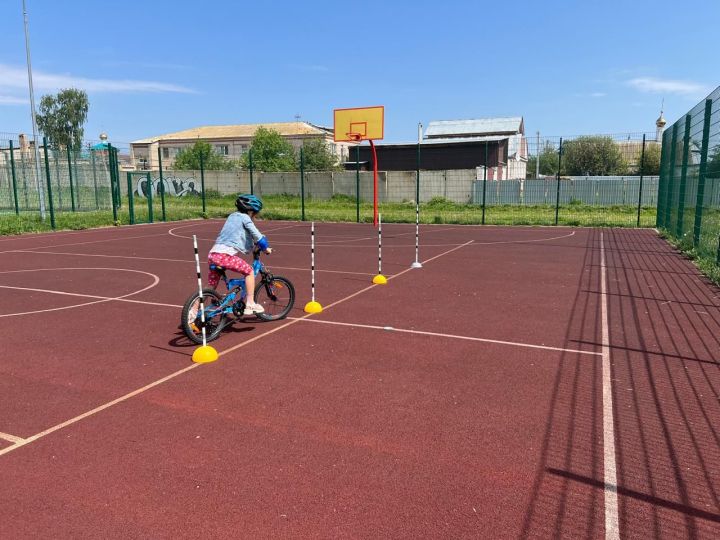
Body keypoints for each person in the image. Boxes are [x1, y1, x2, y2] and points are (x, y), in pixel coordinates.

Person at [207, 194, 272, 314]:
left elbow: (240, 235)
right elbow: (256, 234)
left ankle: (194, 309)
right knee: (249, 272)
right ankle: (250, 304)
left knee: (211, 286)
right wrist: (265, 247)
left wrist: (252, 244)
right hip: (224, 256)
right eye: (255, 213)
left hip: (213, 254)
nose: (255, 216)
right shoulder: (245, 218)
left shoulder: (232, 216)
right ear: (251, 211)